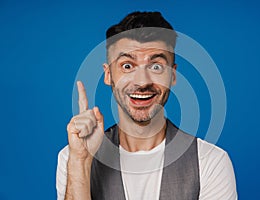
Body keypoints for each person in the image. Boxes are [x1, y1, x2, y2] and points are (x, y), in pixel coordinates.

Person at [56, 11, 237, 200]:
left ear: (173, 76)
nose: (142, 82)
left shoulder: (210, 161)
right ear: (108, 74)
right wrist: (81, 161)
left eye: (156, 66)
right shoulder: (73, 157)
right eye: (127, 66)